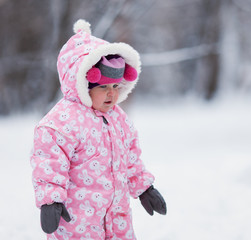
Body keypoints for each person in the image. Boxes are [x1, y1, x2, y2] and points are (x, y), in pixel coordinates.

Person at [30, 19, 166, 240]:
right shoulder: (61, 122)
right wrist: (50, 200)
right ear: (82, 84)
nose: (112, 94)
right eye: (103, 87)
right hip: (77, 221)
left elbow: (130, 157)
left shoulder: (119, 118)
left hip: (116, 217)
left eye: (115, 86)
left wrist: (144, 188)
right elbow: (49, 163)